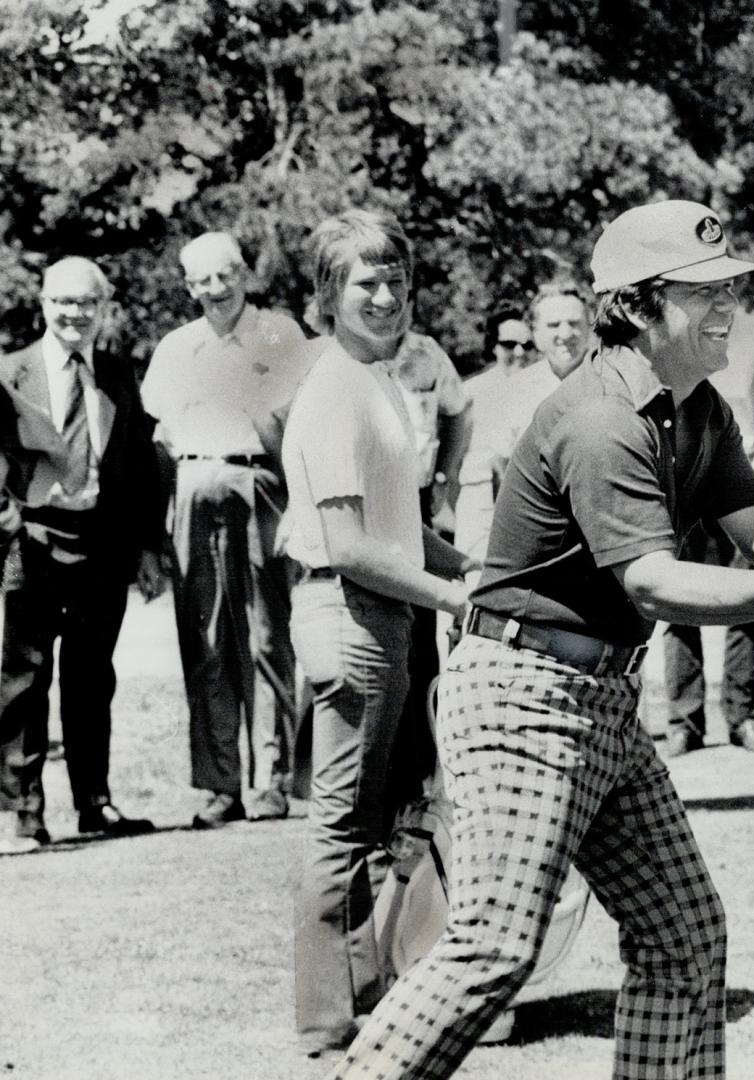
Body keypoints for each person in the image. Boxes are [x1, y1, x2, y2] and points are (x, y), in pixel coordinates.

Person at [332, 199, 754, 1080]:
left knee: (684, 935)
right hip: (519, 696)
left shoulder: (700, 409)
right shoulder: (600, 416)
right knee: (492, 948)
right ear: (640, 305)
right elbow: (655, 581)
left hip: (601, 700)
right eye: (706, 292)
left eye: (733, 285)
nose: (730, 303)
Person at [279, 209, 475, 1057]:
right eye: (367, 283)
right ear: (328, 294)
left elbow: (398, 524)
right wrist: (450, 595)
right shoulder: (333, 389)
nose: (389, 295)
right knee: (339, 827)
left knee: (369, 820)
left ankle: (364, 998)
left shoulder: (380, 381)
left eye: (397, 279)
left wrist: (471, 567)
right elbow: (352, 547)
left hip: (384, 614)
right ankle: (327, 1027)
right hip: (349, 615)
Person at [141, 231, 310, 828]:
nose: (216, 290)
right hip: (192, 486)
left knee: (267, 637)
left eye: (226, 275)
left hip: (259, 481)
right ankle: (217, 784)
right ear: (188, 287)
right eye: (202, 280)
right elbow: (160, 444)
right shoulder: (175, 348)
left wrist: (299, 504)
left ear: (245, 274)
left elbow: (304, 426)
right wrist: (157, 531)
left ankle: (272, 780)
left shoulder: (281, 335)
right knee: (205, 638)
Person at [0, 257, 167, 853]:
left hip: (103, 545)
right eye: (62, 302)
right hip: (31, 541)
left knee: (92, 677)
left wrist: (150, 546)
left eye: (87, 303)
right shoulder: (9, 372)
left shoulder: (120, 376)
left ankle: (94, 804)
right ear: (43, 305)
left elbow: (143, 470)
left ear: (103, 307)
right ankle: (23, 813)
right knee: (24, 676)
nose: (74, 314)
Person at [656, 302, 754, 757]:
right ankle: (683, 721)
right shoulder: (670, 331)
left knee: (746, 602)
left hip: (737, 485)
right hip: (679, 484)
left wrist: (750, 475)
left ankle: (745, 717)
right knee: (677, 604)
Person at [380, 326, 468, 812]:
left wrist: (444, 476)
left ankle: (416, 783)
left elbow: (459, 413)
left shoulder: (425, 351)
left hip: (414, 502)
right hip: (365, 500)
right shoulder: (336, 354)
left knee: (419, 648)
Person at [450, 305, 559, 566]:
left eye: (527, 345)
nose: (520, 353)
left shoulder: (548, 390)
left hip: (533, 504)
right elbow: (452, 463)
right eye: (509, 344)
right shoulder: (471, 392)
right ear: (493, 346)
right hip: (480, 502)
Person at [530, 277, 591, 381]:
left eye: (573, 323)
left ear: (589, 328)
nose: (565, 334)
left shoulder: (613, 381)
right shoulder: (520, 390)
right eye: (554, 325)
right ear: (536, 335)